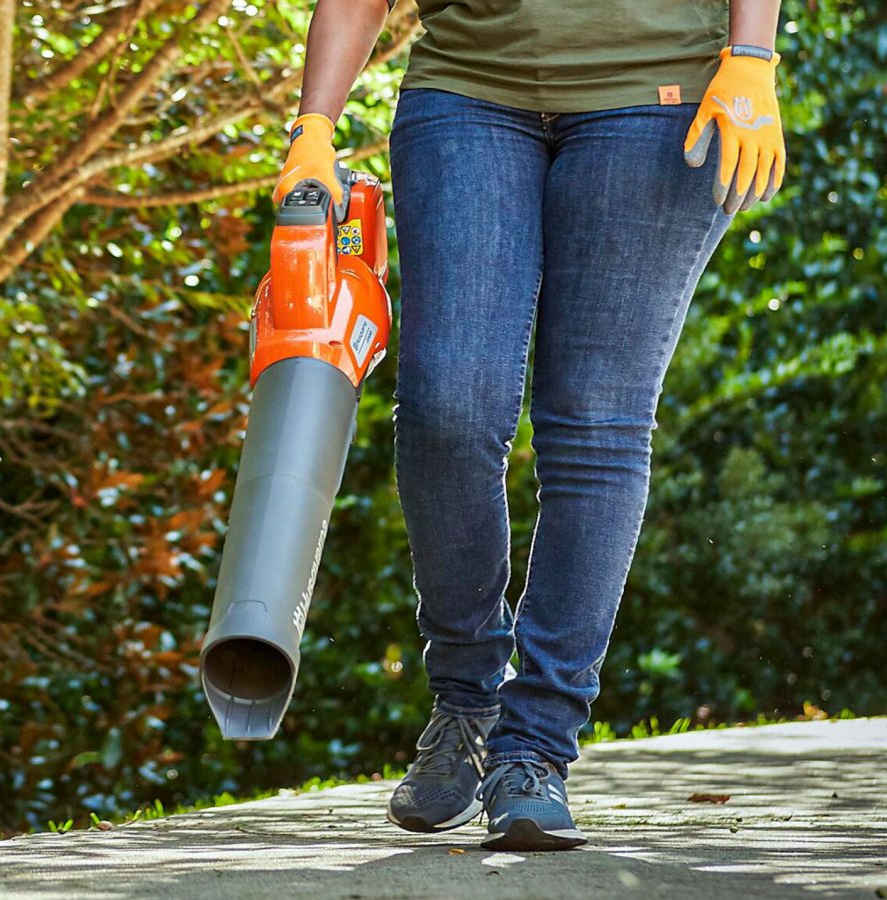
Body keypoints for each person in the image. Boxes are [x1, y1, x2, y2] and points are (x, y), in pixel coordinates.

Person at [272, 0, 786, 850]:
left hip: (657, 101)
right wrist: (315, 125)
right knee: (448, 406)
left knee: (595, 421)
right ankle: (466, 697)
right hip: (466, 95)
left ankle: (535, 747)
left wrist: (752, 55)